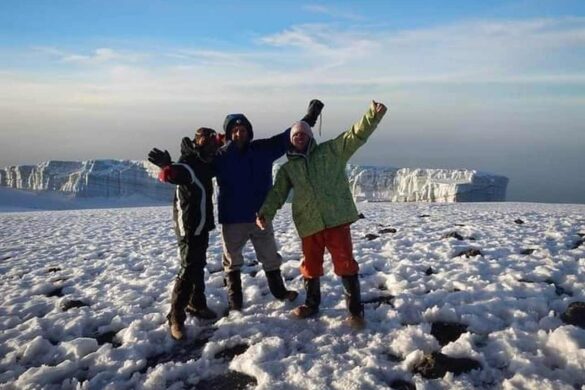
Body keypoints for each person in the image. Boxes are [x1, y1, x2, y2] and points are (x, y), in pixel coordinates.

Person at [256, 100, 388, 329]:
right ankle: (311, 303)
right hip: (309, 223)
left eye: (302, 134)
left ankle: (355, 311)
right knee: (310, 266)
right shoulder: (288, 169)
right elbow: (277, 193)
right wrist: (265, 212)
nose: (299, 137)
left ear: (309, 137)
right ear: (291, 139)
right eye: (295, 135)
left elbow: (354, 136)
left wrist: (372, 116)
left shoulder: (330, 152)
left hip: (336, 219)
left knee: (346, 264)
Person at [215, 100, 324, 311]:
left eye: (243, 129)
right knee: (232, 262)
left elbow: (288, 136)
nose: (239, 134)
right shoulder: (221, 156)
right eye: (235, 130)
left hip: (260, 216)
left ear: (249, 132)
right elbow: (199, 164)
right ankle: (235, 304)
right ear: (229, 134)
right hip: (232, 219)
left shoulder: (261, 150)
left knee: (270, 258)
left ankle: (279, 292)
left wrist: (310, 117)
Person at [148, 127, 220, 341]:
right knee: (189, 267)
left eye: (212, 141)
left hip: (202, 224)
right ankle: (175, 316)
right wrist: (166, 167)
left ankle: (197, 304)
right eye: (205, 140)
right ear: (197, 142)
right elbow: (173, 174)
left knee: (198, 264)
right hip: (188, 226)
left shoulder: (206, 162)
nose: (210, 144)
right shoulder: (189, 163)